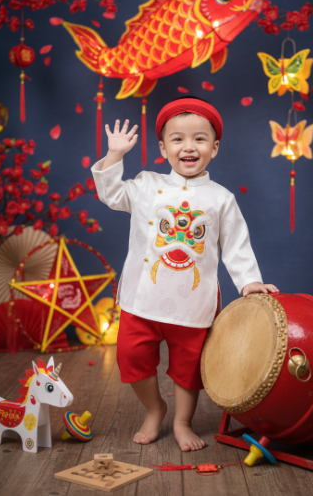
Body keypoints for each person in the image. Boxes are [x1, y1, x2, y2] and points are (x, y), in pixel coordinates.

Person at [91, 97, 278, 452]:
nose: (188, 146)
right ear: (163, 148)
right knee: (131, 358)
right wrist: (115, 154)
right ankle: (154, 408)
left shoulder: (221, 199)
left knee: (187, 368)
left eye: (199, 139)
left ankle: (182, 421)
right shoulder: (146, 185)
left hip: (193, 303)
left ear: (214, 148)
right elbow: (110, 193)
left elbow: (236, 244)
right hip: (141, 300)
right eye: (177, 139)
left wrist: (249, 281)